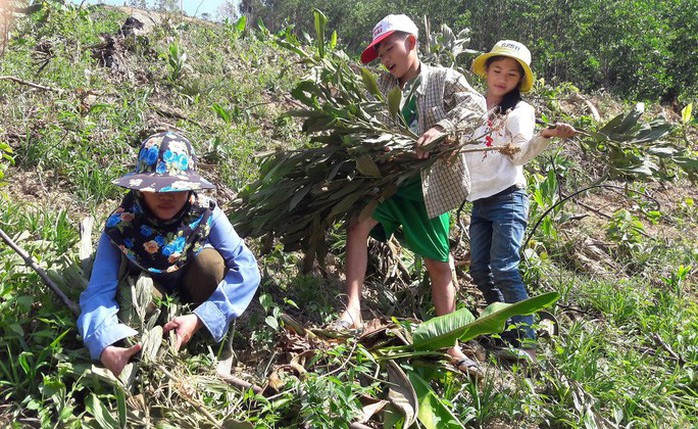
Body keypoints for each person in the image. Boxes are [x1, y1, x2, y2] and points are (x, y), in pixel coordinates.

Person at [338, 14, 487, 376]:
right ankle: (353, 309)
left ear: (412, 43)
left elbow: (477, 107)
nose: (386, 58)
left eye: (390, 48)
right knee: (357, 225)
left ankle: (449, 344)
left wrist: (442, 128)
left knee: (438, 264)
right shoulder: (383, 86)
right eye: (380, 53)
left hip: (428, 190)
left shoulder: (442, 79)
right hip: (391, 186)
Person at [77, 131, 261, 376]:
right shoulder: (122, 224)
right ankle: (150, 348)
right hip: (152, 301)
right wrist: (105, 345)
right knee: (138, 294)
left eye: (177, 187)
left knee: (212, 264)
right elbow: (100, 289)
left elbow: (247, 267)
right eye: (156, 188)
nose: (167, 195)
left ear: (191, 187)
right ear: (140, 189)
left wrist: (201, 318)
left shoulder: (205, 213)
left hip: (197, 290)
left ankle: (214, 345)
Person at [465, 40, 576, 361]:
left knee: (504, 268)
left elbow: (519, 155)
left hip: (507, 199)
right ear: (486, 70)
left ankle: (527, 342)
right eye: (497, 70)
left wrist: (546, 136)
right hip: (479, 200)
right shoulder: (472, 106)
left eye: (511, 74)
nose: (502, 78)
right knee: (479, 271)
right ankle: (504, 328)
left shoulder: (520, 111)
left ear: (518, 80)